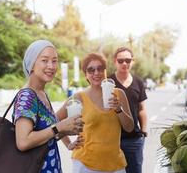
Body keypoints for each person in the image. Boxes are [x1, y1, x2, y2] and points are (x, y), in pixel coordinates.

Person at [13, 39, 84, 173]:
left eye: (54, 60)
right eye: (44, 60)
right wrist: (59, 127)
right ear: (32, 64)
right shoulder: (27, 96)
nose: (51, 66)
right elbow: (23, 142)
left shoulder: (41, 94)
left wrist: (67, 136)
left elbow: (47, 135)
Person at [57, 53, 134, 173]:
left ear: (105, 71)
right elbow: (55, 119)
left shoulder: (119, 94)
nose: (96, 73)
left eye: (99, 68)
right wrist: (68, 144)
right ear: (85, 74)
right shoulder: (79, 97)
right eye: (91, 70)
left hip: (115, 164)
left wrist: (119, 109)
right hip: (85, 164)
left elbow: (129, 128)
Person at [109, 47, 148, 173]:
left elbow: (141, 109)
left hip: (134, 140)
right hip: (111, 139)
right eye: (120, 61)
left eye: (128, 60)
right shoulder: (108, 82)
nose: (124, 63)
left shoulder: (138, 82)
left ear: (133, 61)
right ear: (115, 61)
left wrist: (143, 131)